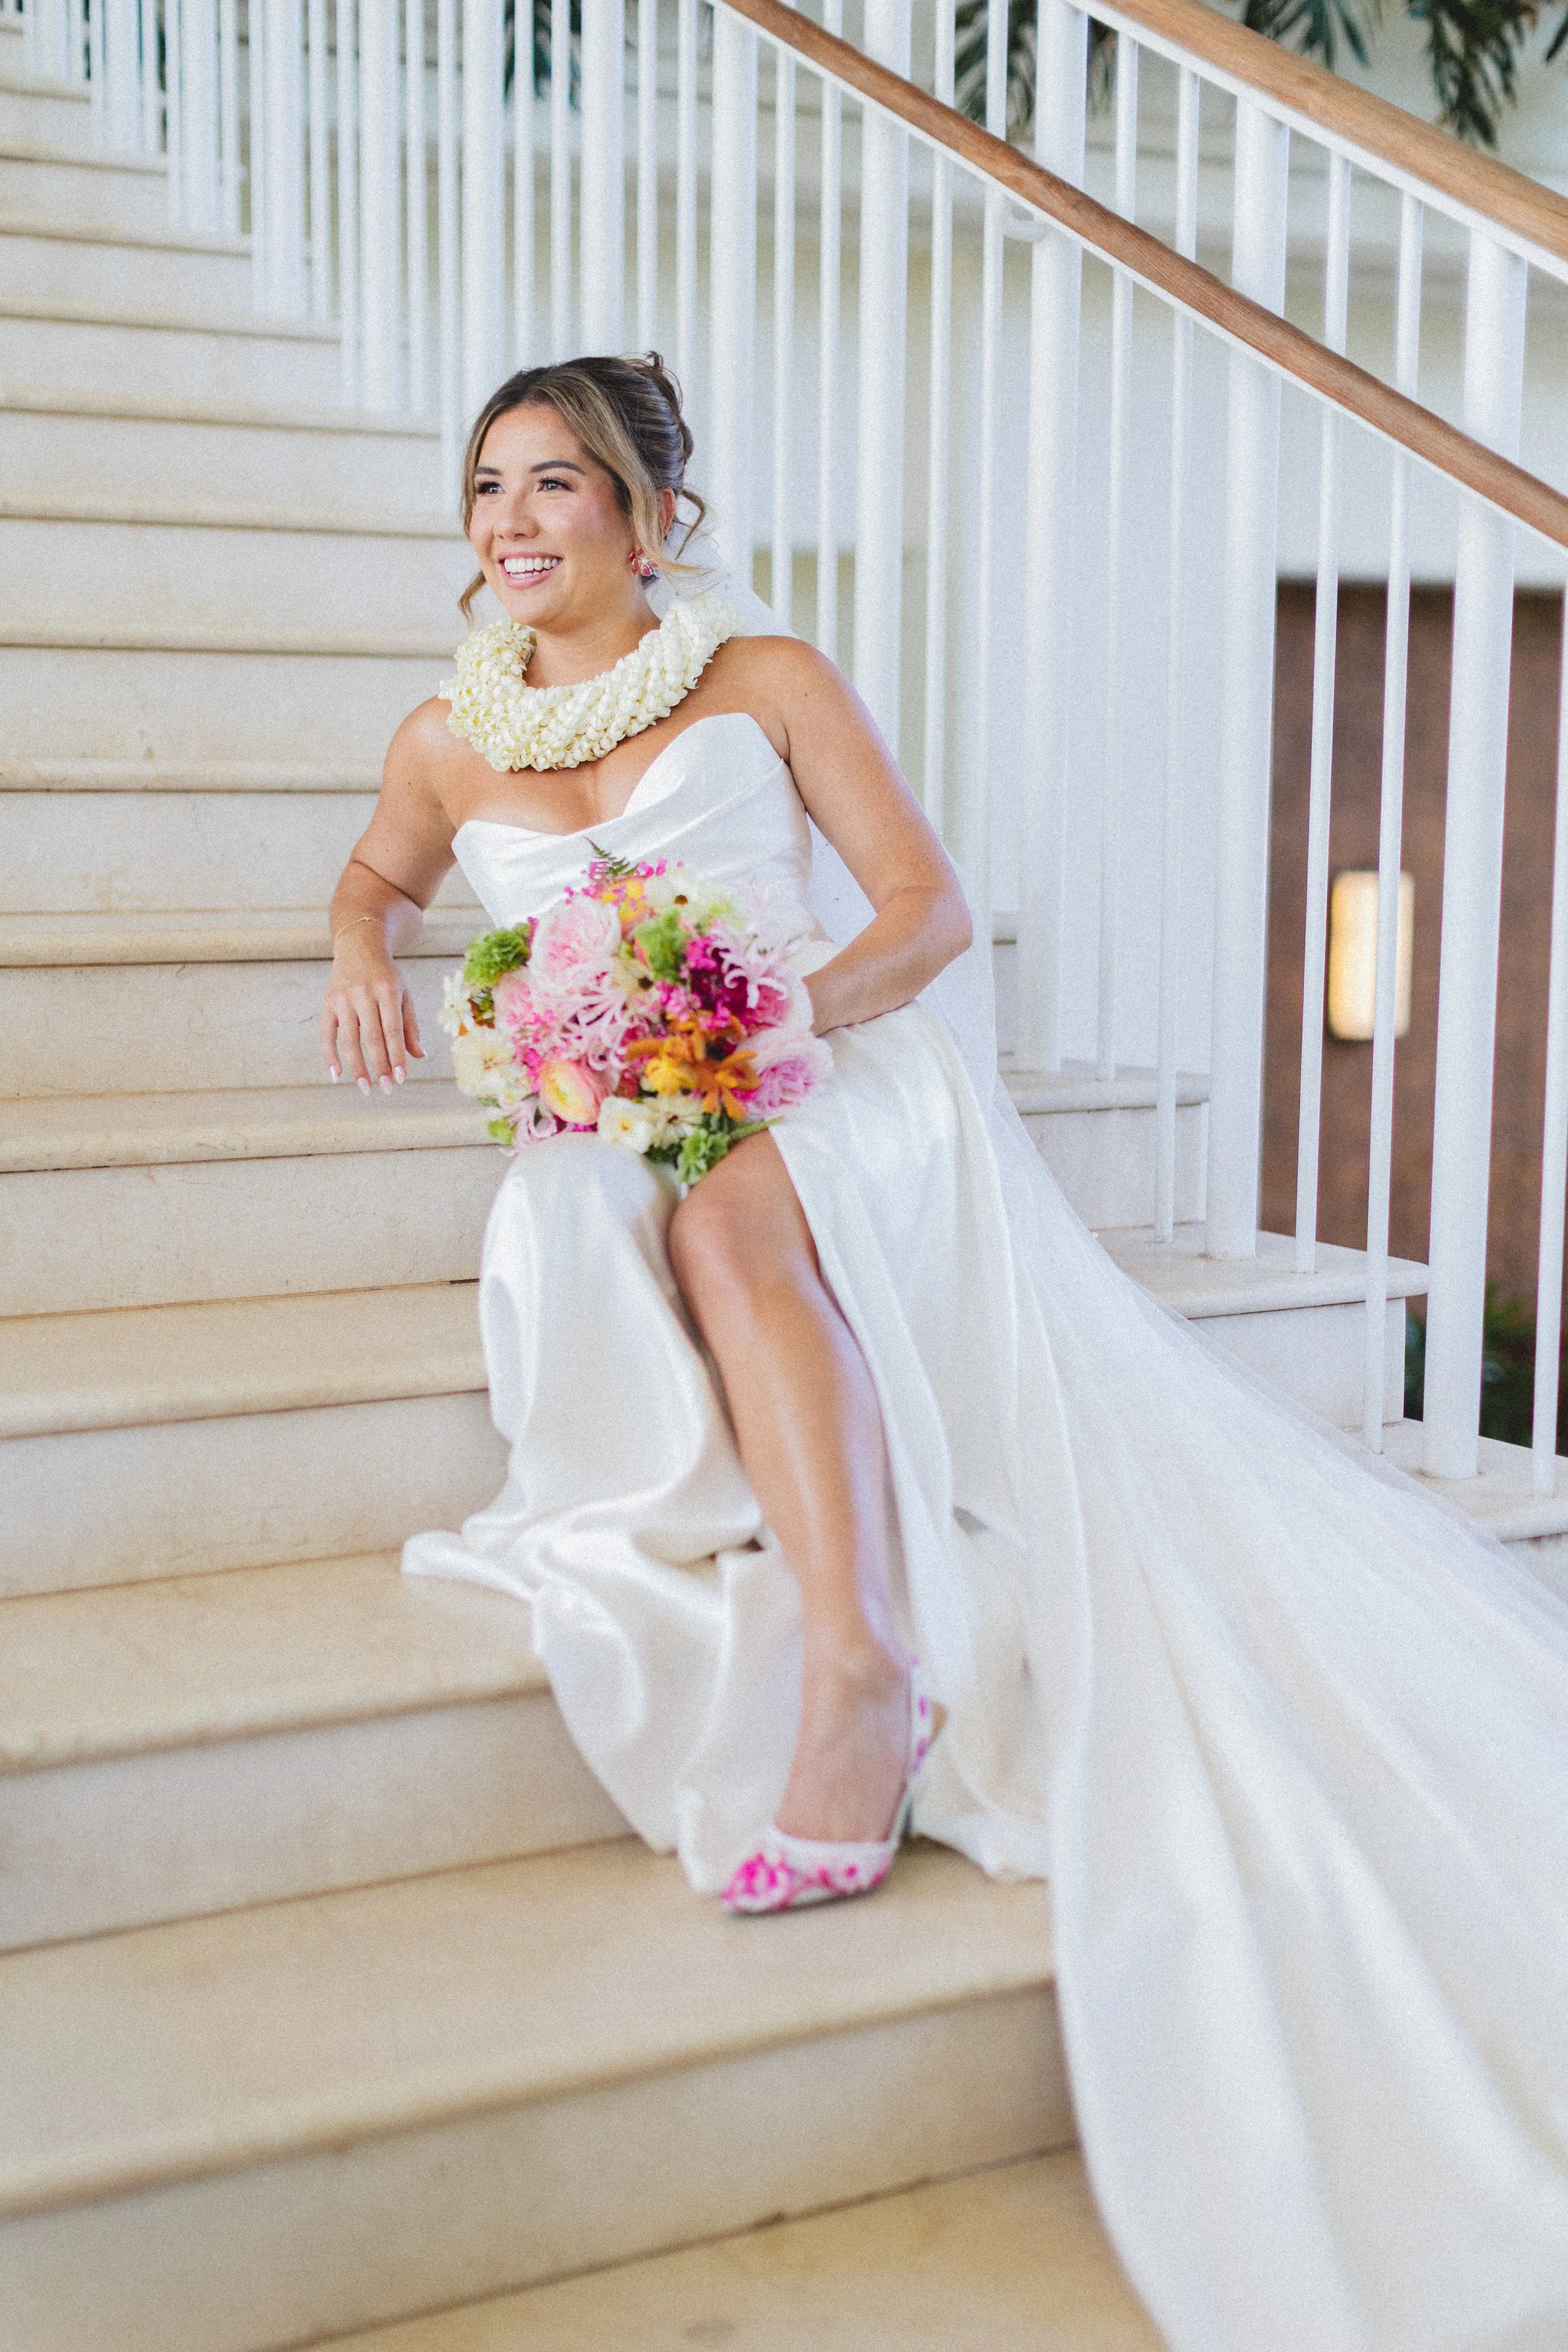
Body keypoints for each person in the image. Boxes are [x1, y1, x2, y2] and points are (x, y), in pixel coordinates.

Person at [322, 353, 1568, 2351]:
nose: (513, 521)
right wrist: (354, 953)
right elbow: (379, 879)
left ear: (652, 522)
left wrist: (760, 1016)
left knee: (723, 1188)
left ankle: (857, 1661)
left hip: (835, 1063)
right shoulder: (438, 737)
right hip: (631, 1095)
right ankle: (851, 1644)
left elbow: (928, 913)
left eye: (557, 484)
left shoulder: (769, 680)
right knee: (651, 1184)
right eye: (487, 487)